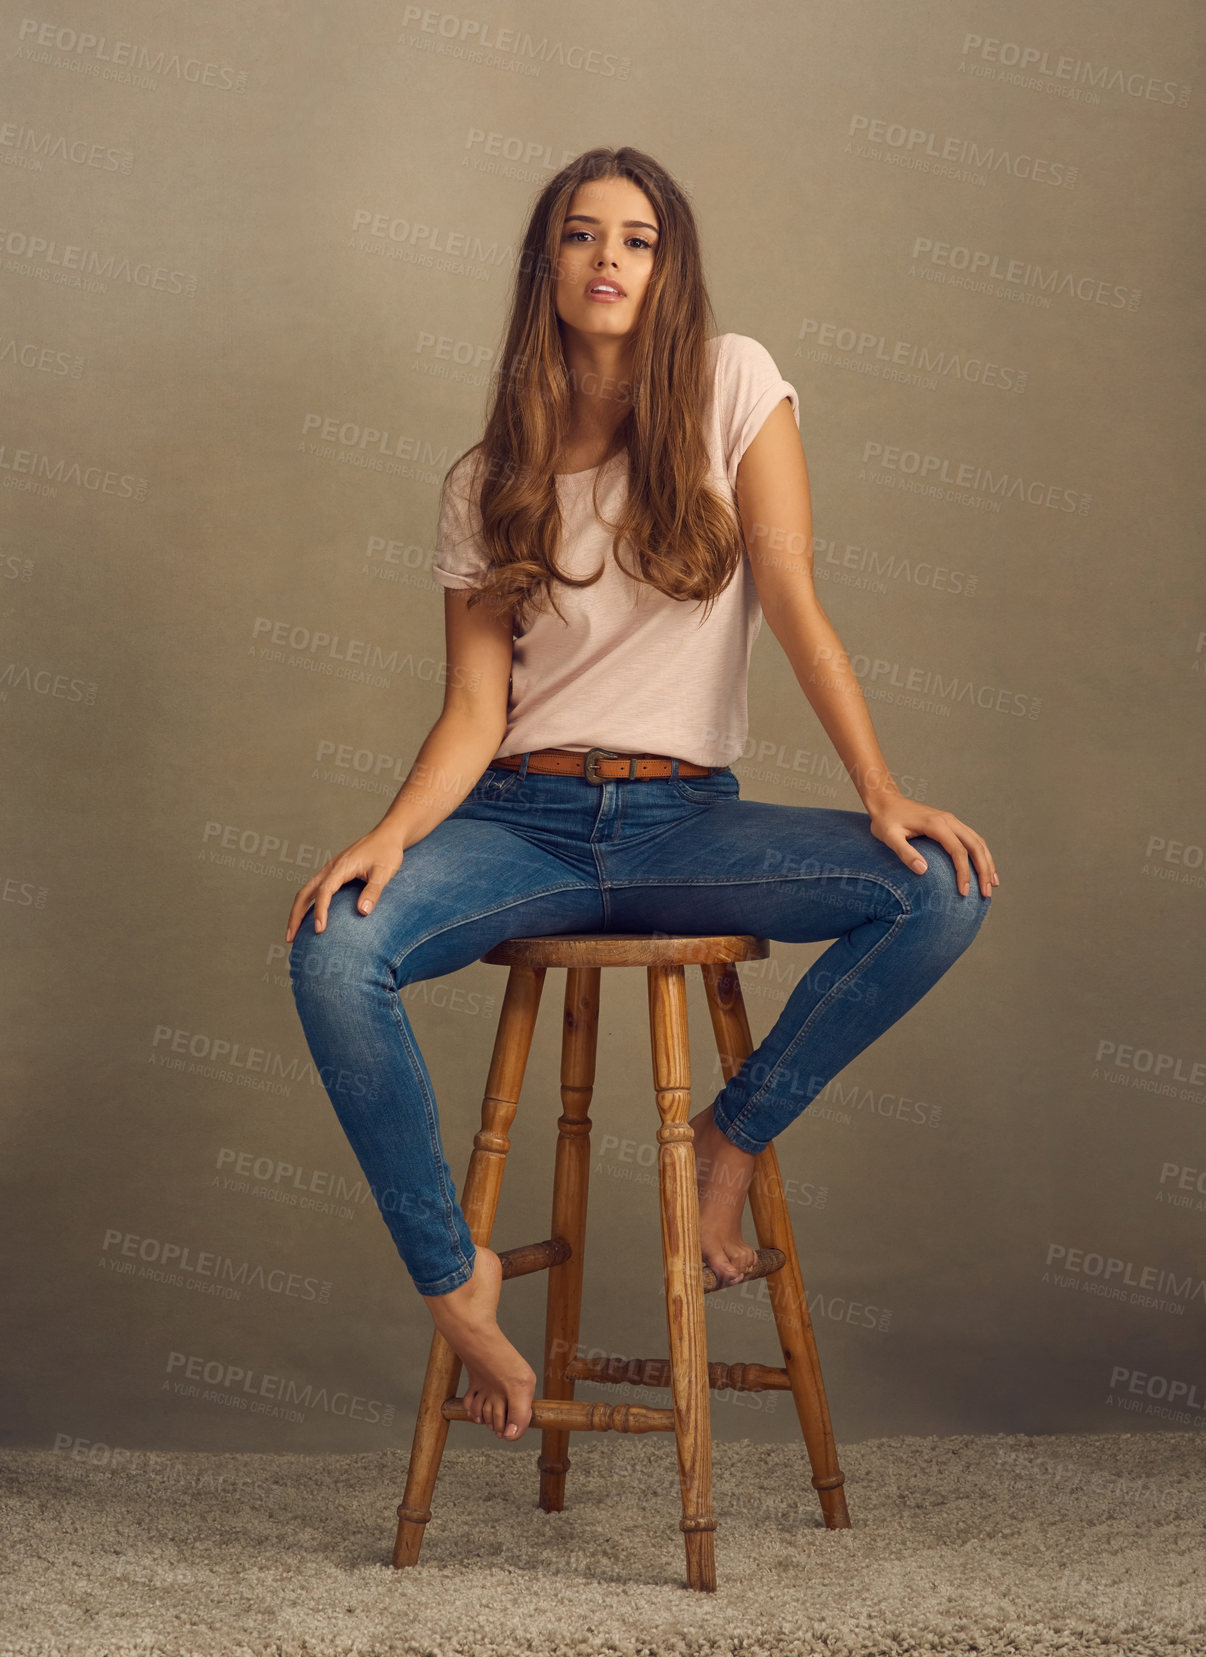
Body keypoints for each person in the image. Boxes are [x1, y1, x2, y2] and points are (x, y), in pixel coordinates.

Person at [285, 145, 997, 1448]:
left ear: (667, 268)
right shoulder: (482, 477)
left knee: (935, 887)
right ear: (543, 267)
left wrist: (881, 789)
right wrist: (386, 837)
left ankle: (732, 1136)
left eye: (637, 238)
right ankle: (458, 1288)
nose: (607, 258)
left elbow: (788, 594)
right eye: (578, 234)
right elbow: (469, 711)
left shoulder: (733, 383)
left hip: (687, 824)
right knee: (332, 946)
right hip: (522, 824)